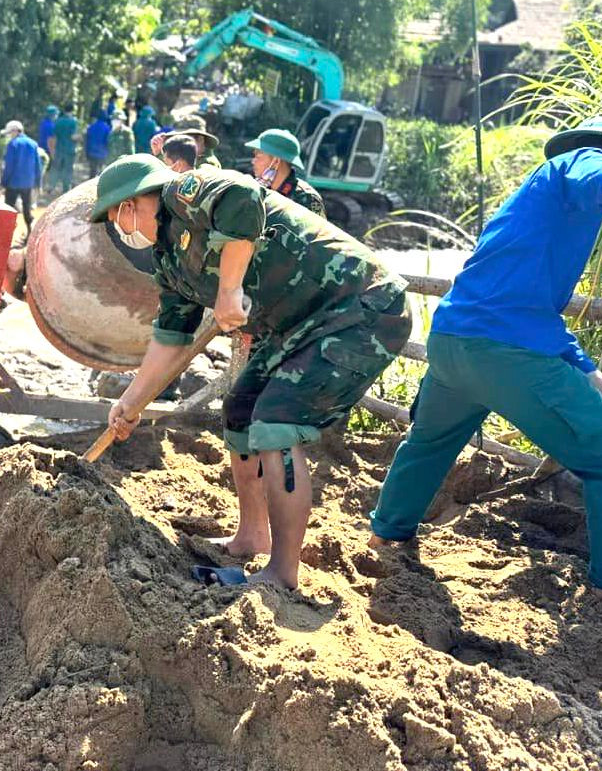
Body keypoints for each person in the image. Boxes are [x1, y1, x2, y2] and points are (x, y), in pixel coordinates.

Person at [92, 155, 410, 590]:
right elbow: (172, 339)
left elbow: (242, 197)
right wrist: (131, 404)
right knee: (241, 410)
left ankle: (281, 573)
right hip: (298, 324)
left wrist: (228, 290)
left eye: (116, 218)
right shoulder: (168, 261)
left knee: (276, 421)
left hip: (359, 308)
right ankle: (251, 535)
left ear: (130, 203)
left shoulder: (185, 193)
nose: (121, 229)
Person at [369, 118, 602, 596]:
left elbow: (527, 304)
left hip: (452, 340)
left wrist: (586, 367)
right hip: (507, 352)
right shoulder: (585, 161)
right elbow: (597, 176)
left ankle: (385, 536)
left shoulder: (538, 203)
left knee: (428, 444)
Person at [245, 128, 324, 217]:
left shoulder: (307, 198)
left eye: (258, 156)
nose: (253, 161)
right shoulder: (257, 191)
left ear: (275, 162)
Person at [0, 119, 42, 237]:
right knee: (27, 208)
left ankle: (6, 235)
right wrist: (38, 183)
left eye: (9, 133)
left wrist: (3, 182)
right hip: (28, 183)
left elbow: (9, 166)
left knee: (8, 209)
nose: (9, 136)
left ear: (15, 131)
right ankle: (30, 233)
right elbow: (38, 165)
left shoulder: (13, 144)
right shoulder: (33, 144)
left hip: (13, 183)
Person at [51, 104, 79, 193]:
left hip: (59, 149)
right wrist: (79, 137)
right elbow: (73, 136)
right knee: (67, 170)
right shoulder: (73, 122)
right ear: (72, 111)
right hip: (69, 150)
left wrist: (53, 149)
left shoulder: (58, 121)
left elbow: (54, 136)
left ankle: (52, 187)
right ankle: (66, 189)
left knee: (56, 169)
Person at [85, 112, 112, 179]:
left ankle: (90, 183)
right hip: (102, 154)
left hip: (92, 152)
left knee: (92, 172)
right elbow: (107, 142)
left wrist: (87, 152)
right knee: (101, 173)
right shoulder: (107, 128)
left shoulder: (91, 127)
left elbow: (87, 141)